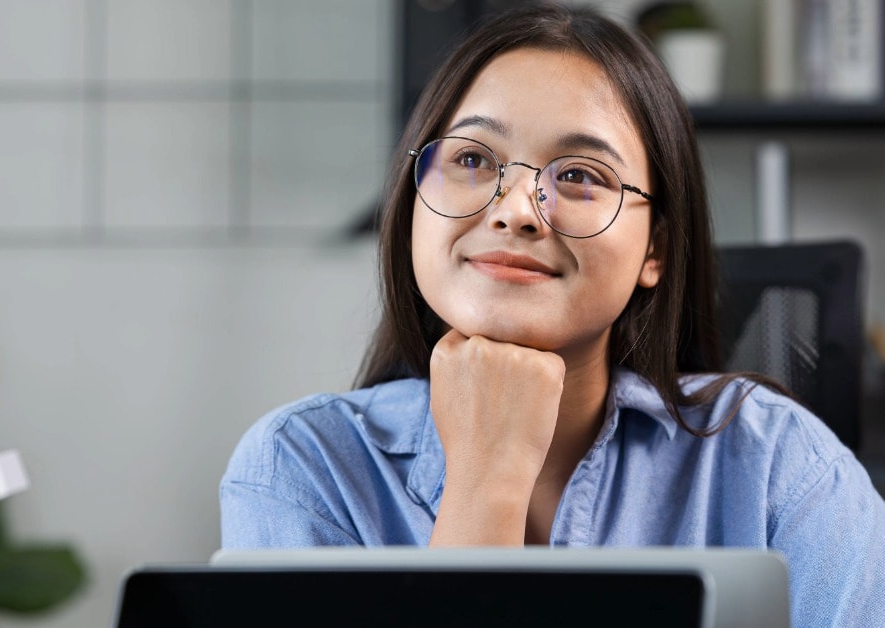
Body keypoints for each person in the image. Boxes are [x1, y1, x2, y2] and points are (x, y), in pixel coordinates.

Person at [218, 2, 885, 626]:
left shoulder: (780, 468)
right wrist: (487, 477)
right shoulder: (301, 470)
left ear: (656, 247)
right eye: (473, 159)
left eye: (579, 177)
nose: (515, 209)